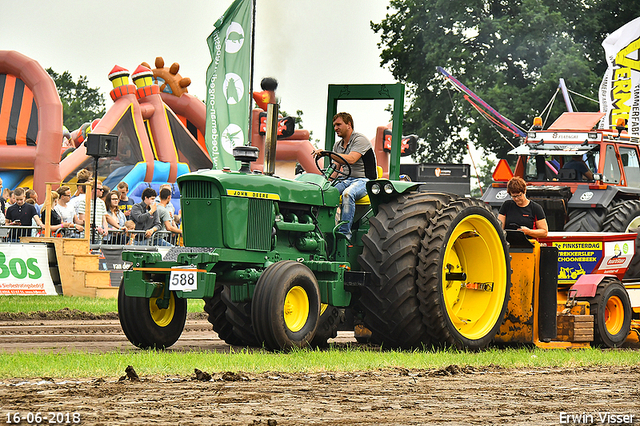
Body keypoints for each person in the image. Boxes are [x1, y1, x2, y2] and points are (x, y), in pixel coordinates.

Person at [311, 112, 377, 240]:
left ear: (349, 125)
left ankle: (344, 233)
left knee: (348, 194)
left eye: (338, 124)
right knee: (326, 193)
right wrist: (323, 183)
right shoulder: (338, 146)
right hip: (347, 179)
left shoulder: (359, 140)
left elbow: (351, 159)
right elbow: (336, 168)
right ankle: (320, 230)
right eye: (334, 125)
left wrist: (327, 154)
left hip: (364, 180)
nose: (335, 128)